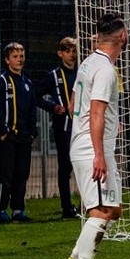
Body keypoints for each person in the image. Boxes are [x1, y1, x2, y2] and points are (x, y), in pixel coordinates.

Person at [57, 13, 127, 259]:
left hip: (88, 144)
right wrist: (98, 153)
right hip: (92, 148)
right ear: (122, 37)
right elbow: (95, 111)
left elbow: (74, 102)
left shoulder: (89, 63)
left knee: (113, 209)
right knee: (99, 212)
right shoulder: (105, 70)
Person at [0, 42, 39, 224]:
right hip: (7, 136)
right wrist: (2, 132)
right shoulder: (0, 82)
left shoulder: (27, 83)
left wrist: (32, 132)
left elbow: (32, 107)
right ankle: (0, 209)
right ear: (7, 60)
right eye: (16, 56)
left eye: (22, 56)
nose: (20, 60)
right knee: (7, 172)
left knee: (22, 173)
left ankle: (18, 209)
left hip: (24, 136)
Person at [37, 37, 80, 219]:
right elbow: (36, 96)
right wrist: (52, 107)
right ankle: (66, 207)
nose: (72, 55)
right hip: (63, 127)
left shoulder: (81, 73)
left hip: (81, 126)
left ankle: (87, 203)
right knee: (65, 166)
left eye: (74, 51)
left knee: (83, 164)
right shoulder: (54, 76)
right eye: (68, 51)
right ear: (60, 53)